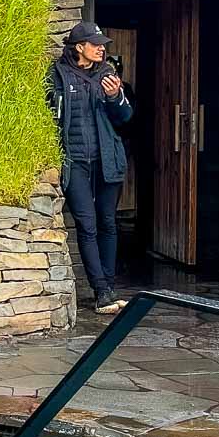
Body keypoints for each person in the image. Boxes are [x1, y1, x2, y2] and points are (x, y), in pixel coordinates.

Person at [50, 20, 133, 315]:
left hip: (107, 160)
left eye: (102, 45)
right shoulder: (57, 75)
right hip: (75, 162)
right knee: (86, 224)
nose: (101, 48)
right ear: (79, 47)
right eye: (95, 44)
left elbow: (124, 117)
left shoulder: (108, 75)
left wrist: (115, 97)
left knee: (107, 222)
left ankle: (108, 288)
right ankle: (101, 291)